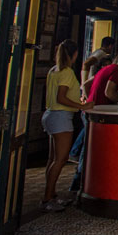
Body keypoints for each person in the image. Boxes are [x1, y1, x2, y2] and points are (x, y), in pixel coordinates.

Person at [68, 52, 118, 192]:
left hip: (90, 111)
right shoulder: (117, 71)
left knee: (88, 144)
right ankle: (78, 183)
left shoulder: (107, 68)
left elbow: (86, 85)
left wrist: (90, 102)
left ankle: (80, 182)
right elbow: (109, 93)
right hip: (99, 113)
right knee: (88, 148)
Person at [41, 39, 93, 212]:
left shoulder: (53, 71)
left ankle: (51, 194)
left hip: (50, 115)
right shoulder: (67, 73)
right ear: (75, 54)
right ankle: (48, 197)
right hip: (61, 116)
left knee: (52, 159)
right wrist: (82, 106)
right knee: (61, 159)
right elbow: (61, 97)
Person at [68, 36, 115, 163]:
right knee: (88, 125)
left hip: (89, 88)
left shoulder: (97, 52)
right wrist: (83, 85)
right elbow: (86, 63)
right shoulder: (101, 54)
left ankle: (75, 152)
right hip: (89, 89)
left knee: (87, 125)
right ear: (110, 46)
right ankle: (75, 152)